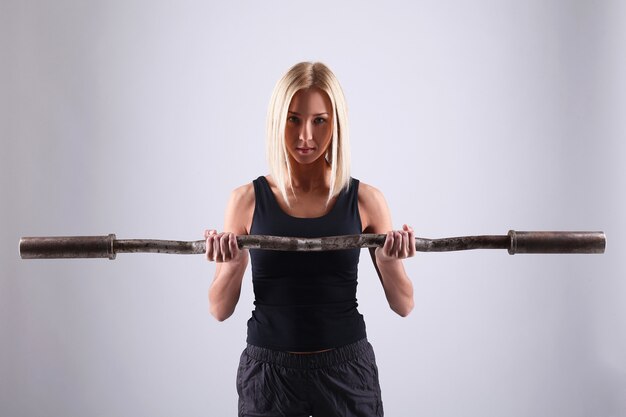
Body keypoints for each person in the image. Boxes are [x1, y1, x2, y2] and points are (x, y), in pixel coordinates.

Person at [204, 62, 415, 417]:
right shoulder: (246, 200)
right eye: (293, 119)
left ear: (337, 124)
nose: (306, 136)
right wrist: (234, 263)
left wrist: (390, 261)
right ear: (277, 121)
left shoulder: (366, 200)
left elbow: (403, 305)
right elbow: (219, 310)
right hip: (269, 378)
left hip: (346, 374)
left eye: (319, 120)